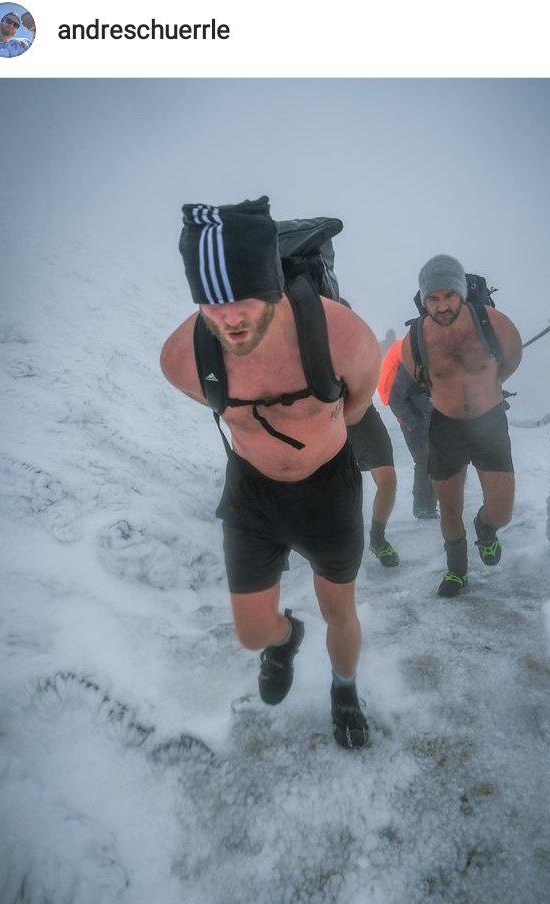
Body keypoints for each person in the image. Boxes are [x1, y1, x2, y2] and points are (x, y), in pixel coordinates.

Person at [160, 197, 381, 748]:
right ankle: (284, 640)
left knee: (339, 609)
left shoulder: (343, 337)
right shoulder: (182, 359)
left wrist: (311, 429)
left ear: (274, 285)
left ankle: (345, 690)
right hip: (252, 493)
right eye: (213, 302)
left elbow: (354, 409)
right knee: (252, 632)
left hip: (327, 489)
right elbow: (221, 408)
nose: (231, 318)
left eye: (245, 297)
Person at [401, 255, 522, 597]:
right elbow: (421, 378)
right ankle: (456, 571)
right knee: (450, 508)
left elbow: (511, 360)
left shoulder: (494, 323)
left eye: (449, 296)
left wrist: (487, 389)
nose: (442, 306)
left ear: (461, 293)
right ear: (423, 300)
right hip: (447, 429)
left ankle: (486, 530)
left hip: (490, 425)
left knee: (502, 511)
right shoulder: (415, 339)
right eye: (433, 298)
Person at [379, 339, 438, 520]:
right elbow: (394, 399)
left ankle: (430, 507)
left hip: (428, 417)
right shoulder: (409, 365)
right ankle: (420, 507)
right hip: (413, 421)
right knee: (423, 460)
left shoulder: (430, 361)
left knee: (434, 460)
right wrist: (412, 423)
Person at [347, 404, 400, 567]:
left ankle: (377, 538)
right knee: (335, 491)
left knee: (388, 483)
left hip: (366, 421)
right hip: (329, 426)